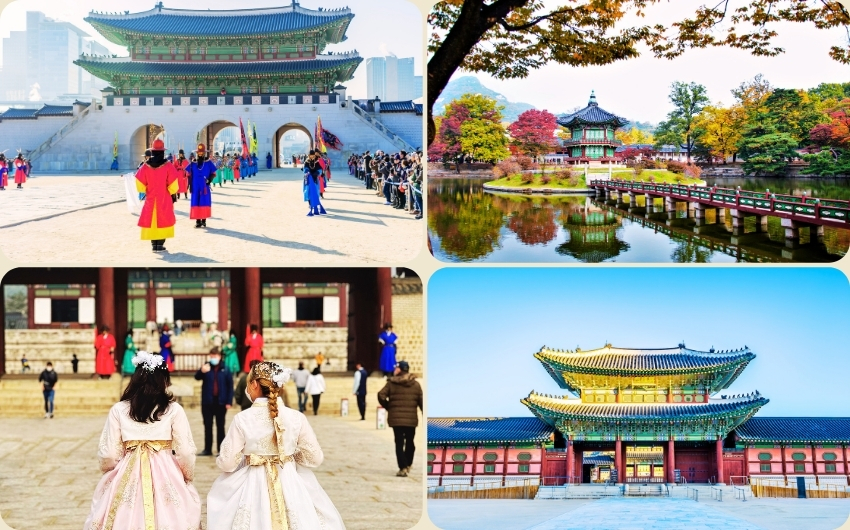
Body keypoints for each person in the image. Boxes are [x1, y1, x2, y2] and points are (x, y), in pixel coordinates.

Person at [207, 361, 345, 530]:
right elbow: (315, 458)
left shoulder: (243, 419)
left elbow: (228, 463)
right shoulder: (296, 417)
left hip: (252, 485)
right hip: (289, 479)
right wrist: (289, 457)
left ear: (255, 384)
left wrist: (245, 459)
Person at [84, 351, 201, 530]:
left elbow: (108, 453)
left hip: (128, 470)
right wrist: (186, 476)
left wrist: (110, 472)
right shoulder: (174, 409)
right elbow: (185, 451)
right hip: (166, 471)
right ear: (164, 380)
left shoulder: (119, 409)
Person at [378, 360, 423, 477]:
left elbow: (380, 395)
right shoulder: (416, 385)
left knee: (399, 443)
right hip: (411, 419)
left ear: (399, 370)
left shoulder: (391, 383)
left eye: (396, 368)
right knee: (410, 442)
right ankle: (408, 464)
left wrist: (389, 407)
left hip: (396, 419)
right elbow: (422, 402)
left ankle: (402, 467)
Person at [135, 138, 179, 252]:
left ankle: (154, 244)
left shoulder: (145, 166)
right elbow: (174, 184)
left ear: (153, 151)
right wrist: (171, 192)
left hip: (151, 197)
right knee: (163, 218)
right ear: (163, 151)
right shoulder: (168, 165)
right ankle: (160, 244)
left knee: (152, 219)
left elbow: (139, 183)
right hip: (164, 197)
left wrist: (146, 189)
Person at [195, 348, 234, 456]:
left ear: (219, 356)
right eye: (211, 356)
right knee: (207, 425)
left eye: (215, 356)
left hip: (221, 402)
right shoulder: (206, 367)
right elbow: (197, 377)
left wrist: (229, 401)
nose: (213, 359)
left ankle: (220, 450)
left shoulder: (225, 369)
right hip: (207, 402)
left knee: (220, 426)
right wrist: (201, 371)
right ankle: (207, 449)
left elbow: (230, 386)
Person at [187, 143, 216, 228]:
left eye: (202, 153)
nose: (200, 154)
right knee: (196, 202)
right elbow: (188, 175)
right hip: (195, 187)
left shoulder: (208, 162)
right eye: (199, 153)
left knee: (204, 202)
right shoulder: (193, 163)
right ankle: (198, 221)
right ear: (197, 153)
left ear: (204, 153)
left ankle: (204, 220)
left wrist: (209, 180)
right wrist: (189, 185)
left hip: (204, 186)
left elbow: (213, 173)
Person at [303, 150, 327, 216]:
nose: (312, 156)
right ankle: (310, 204)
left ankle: (315, 204)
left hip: (315, 178)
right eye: (311, 155)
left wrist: (317, 172)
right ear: (309, 155)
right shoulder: (306, 161)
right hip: (308, 179)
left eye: (313, 155)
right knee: (308, 192)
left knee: (315, 192)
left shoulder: (316, 161)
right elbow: (305, 168)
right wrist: (307, 172)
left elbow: (320, 169)